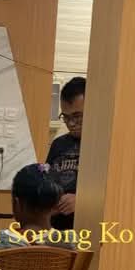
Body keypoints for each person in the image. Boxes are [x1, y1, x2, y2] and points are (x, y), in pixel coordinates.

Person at [47, 76, 85, 230]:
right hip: (56, 229)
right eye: (66, 117)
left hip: (89, 228)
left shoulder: (106, 146)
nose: (71, 123)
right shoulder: (58, 144)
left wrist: (82, 201)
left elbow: (116, 193)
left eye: (77, 116)